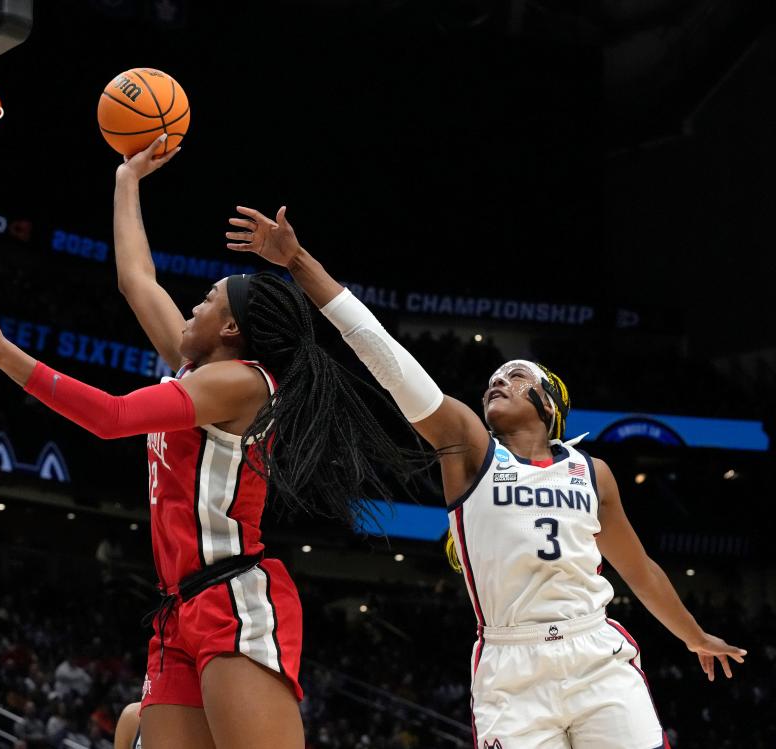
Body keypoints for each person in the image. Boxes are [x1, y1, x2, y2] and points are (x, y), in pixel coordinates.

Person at [0, 136, 419, 749]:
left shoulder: (241, 384)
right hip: (179, 607)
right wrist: (127, 181)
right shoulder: (195, 374)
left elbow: (110, 416)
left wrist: (4, 356)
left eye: (205, 301)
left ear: (231, 328)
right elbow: (135, 279)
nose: (190, 310)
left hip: (233, 596)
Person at [225, 204, 749, 749]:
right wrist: (297, 261)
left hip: (596, 654)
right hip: (511, 666)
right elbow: (381, 350)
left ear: (547, 403)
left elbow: (639, 571)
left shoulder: (593, 473)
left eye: (515, 376)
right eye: (492, 380)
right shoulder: (471, 449)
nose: (496, 381)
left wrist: (694, 636)